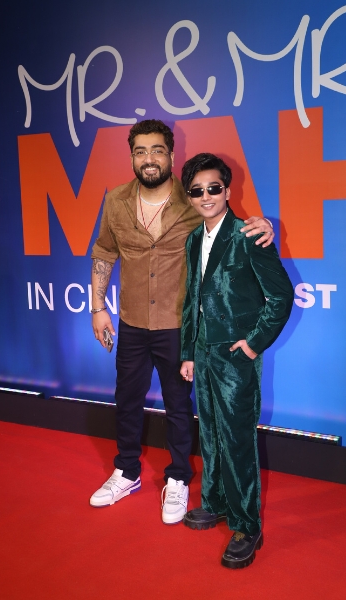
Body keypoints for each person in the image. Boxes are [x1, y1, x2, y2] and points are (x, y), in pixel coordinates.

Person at [88, 120, 275, 526]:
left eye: (157, 150)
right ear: (132, 157)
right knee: (127, 400)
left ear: (171, 155)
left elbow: (226, 225)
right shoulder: (116, 201)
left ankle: (178, 477)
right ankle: (127, 472)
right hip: (132, 320)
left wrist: (263, 225)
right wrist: (97, 306)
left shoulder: (192, 197)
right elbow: (104, 251)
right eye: (140, 151)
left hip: (179, 324)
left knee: (178, 404)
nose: (149, 158)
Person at [178, 153, 293, 568]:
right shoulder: (193, 239)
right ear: (189, 196)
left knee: (238, 440)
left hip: (235, 357)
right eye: (197, 191)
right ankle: (216, 502)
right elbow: (192, 299)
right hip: (203, 354)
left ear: (227, 190)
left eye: (213, 188)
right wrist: (188, 352)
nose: (206, 196)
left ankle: (247, 525)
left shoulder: (249, 234)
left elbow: (281, 296)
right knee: (209, 432)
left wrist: (253, 344)